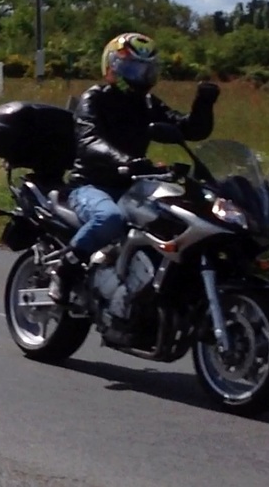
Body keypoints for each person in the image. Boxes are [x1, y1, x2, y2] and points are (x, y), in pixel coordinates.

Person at [48, 31, 220, 323]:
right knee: (110, 219)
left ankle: (152, 290)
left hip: (134, 187)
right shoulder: (95, 98)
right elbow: (89, 140)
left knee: (174, 220)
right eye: (132, 68)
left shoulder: (148, 104)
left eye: (146, 69)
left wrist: (203, 103)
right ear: (112, 67)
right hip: (91, 184)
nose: (140, 76)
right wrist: (126, 160)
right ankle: (65, 268)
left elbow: (188, 129)